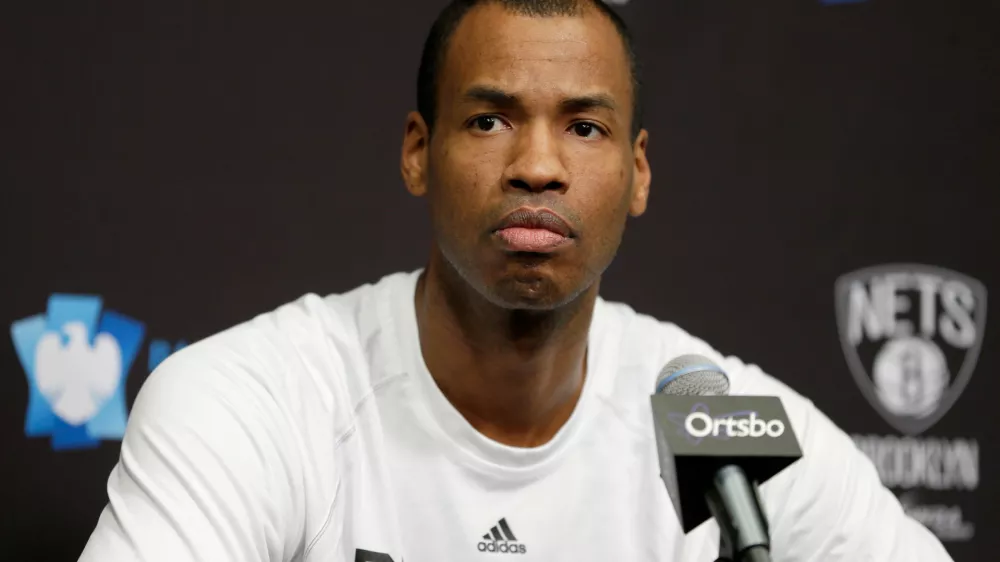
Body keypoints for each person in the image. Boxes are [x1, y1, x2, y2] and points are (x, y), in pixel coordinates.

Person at [79, 1, 953, 560]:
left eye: (583, 127)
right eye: (491, 118)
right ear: (419, 151)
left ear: (639, 174)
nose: (537, 165)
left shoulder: (713, 422)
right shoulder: (253, 401)